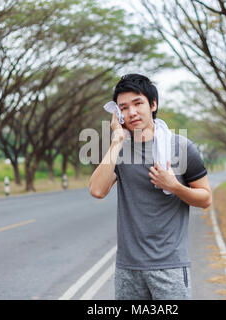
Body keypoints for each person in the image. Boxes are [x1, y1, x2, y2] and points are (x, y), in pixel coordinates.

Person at [89, 74, 212, 300]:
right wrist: (116, 140)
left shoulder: (181, 147)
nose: (132, 112)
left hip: (170, 266)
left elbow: (205, 199)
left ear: (153, 105)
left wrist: (174, 186)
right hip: (128, 267)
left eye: (138, 103)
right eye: (124, 108)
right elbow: (97, 190)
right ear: (118, 114)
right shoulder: (120, 150)